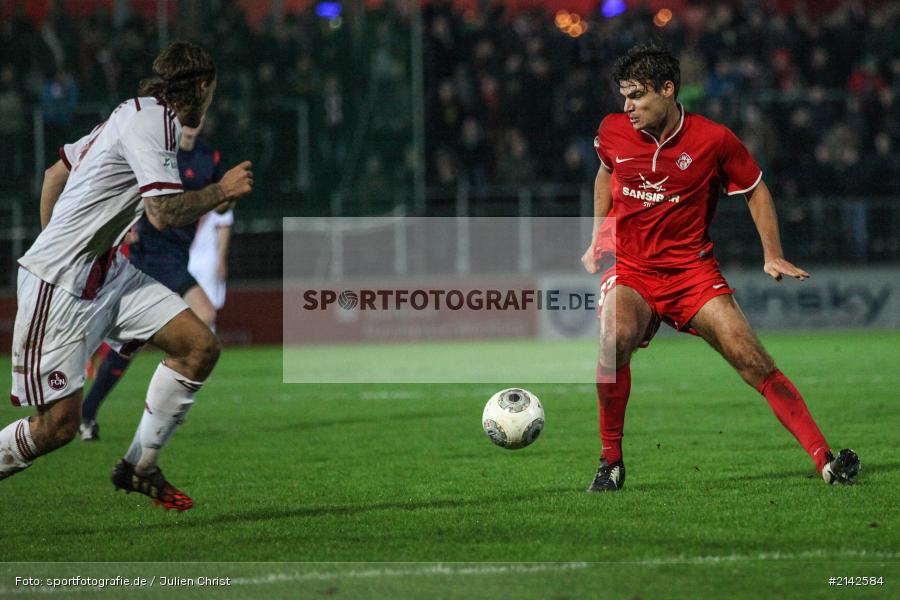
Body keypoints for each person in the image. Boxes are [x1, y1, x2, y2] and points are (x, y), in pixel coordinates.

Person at [581, 44, 859, 492]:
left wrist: (772, 252)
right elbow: (604, 172)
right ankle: (610, 461)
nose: (627, 107)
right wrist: (599, 233)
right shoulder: (612, 131)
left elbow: (755, 188)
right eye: (623, 96)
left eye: (637, 96)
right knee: (613, 341)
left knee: (754, 362)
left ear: (668, 90)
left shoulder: (713, 139)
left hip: (693, 275)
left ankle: (825, 460)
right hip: (634, 272)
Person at [0, 41, 254, 511]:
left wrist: (70, 237)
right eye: (212, 90)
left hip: (109, 272)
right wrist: (220, 190)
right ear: (201, 86)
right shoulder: (150, 123)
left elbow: (54, 174)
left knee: (199, 347)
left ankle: (139, 466)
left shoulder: (131, 112)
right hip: (62, 285)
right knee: (58, 425)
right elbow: (160, 213)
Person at [78, 121, 230, 441]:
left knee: (132, 345)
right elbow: (131, 186)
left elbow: (222, 204)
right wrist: (126, 226)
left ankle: (91, 412)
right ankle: (157, 406)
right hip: (148, 253)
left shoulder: (209, 158)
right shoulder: (162, 152)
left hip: (177, 257)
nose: (194, 120)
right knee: (200, 317)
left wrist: (230, 193)